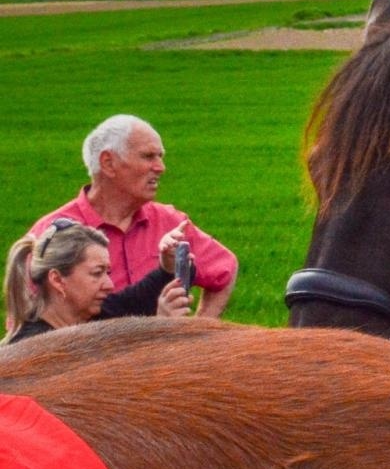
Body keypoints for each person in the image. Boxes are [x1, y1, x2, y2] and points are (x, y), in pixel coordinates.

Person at [29, 115, 237, 318]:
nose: (161, 167)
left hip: (162, 352)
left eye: (160, 156)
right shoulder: (53, 234)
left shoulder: (170, 223)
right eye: (148, 156)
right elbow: (29, 324)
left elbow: (225, 269)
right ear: (108, 163)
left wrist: (199, 333)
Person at [4, 219, 193, 343]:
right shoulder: (37, 347)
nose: (109, 284)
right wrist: (161, 332)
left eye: (108, 272)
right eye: (97, 273)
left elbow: (141, 297)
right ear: (57, 280)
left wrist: (168, 265)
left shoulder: (92, 314)